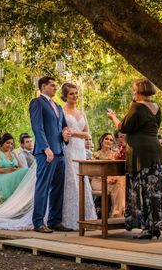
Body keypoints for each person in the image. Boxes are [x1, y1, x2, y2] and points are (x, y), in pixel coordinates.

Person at [107, 78, 162, 239]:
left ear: (139, 91)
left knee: (143, 189)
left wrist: (113, 117)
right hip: (155, 150)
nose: (133, 92)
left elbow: (123, 127)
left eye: (134, 90)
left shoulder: (137, 107)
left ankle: (147, 228)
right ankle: (154, 226)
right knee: (155, 190)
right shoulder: (156, 107)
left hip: (140, 153)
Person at [30, 76, 71, 233]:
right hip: (45, 152)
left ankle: (55, 220)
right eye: (52, 85)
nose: (55, 88)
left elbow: (64, 127)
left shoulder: (59, 107)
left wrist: (65, 135)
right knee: (43, 186)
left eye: (55, 85)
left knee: (58, 188)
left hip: (60, 151)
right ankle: (38, 222)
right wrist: (46, 148)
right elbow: (37, 127)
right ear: (43, 86)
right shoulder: (37, 103)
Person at [59, 82, 97, 230]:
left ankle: (86, 218)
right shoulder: (61, 112)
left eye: (76, 93)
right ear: (65, 96)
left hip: (80, 150)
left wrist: (74, 133)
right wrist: (68, 134)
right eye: (71, 94)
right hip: (68, 150)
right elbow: (62, 131)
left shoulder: (82, 113)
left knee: (82, 180)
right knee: (71, 181)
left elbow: (88, 133)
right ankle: (69, 219)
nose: (75, 96)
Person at [91, 132, 125, 217]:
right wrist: (106, 179)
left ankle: (116, 213)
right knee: (119, 185)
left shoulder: (115, 155)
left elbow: (117, 170)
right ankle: (119, 212)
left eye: (111, 140)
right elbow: (92, 172)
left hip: (113, 181)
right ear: (102, 140)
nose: (109, 141)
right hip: (98, 181)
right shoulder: (95, 155)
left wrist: (113, 178)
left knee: (120, 182)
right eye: (106, 138)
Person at [0, 133, 28, 199]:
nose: (10, 145)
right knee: (27, 171)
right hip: (1, 177)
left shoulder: (13, 153)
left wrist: (15, 170)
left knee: (27, 171)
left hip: (13, 174)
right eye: (7, 143)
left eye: (11, 144)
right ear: (2, 142)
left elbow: (20, 167)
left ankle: (25, 197)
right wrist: (5, 170)